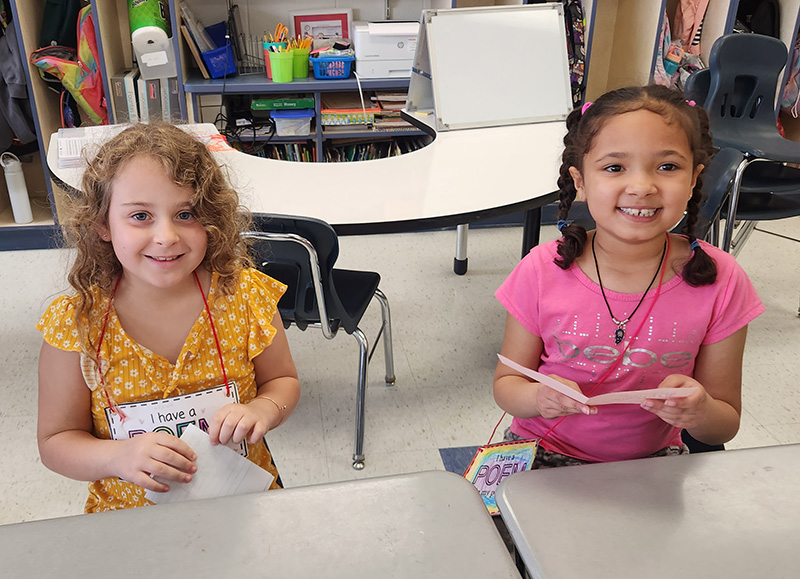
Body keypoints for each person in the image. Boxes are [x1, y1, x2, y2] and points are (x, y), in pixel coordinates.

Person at [493, 85, 765, 468]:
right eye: (614, 167)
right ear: (581, 181)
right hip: (542, 451)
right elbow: (506, 386)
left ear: (693, 178)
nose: (641, 187)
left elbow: (723, 426)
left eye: (668, 166)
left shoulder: (721, 280)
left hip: (651, 461)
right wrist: (539, 398)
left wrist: (699, 412)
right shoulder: (542, 269)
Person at [37, 122, 301, 512]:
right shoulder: (76, 325)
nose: (166, 236)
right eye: (140, 216)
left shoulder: (245, 296)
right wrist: (117, 457)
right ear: (102, 226)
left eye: (186, 214)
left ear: (211, 218)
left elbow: (282, 380)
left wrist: (262, 409)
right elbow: (56, 441)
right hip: (132, 522)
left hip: (243, 504)